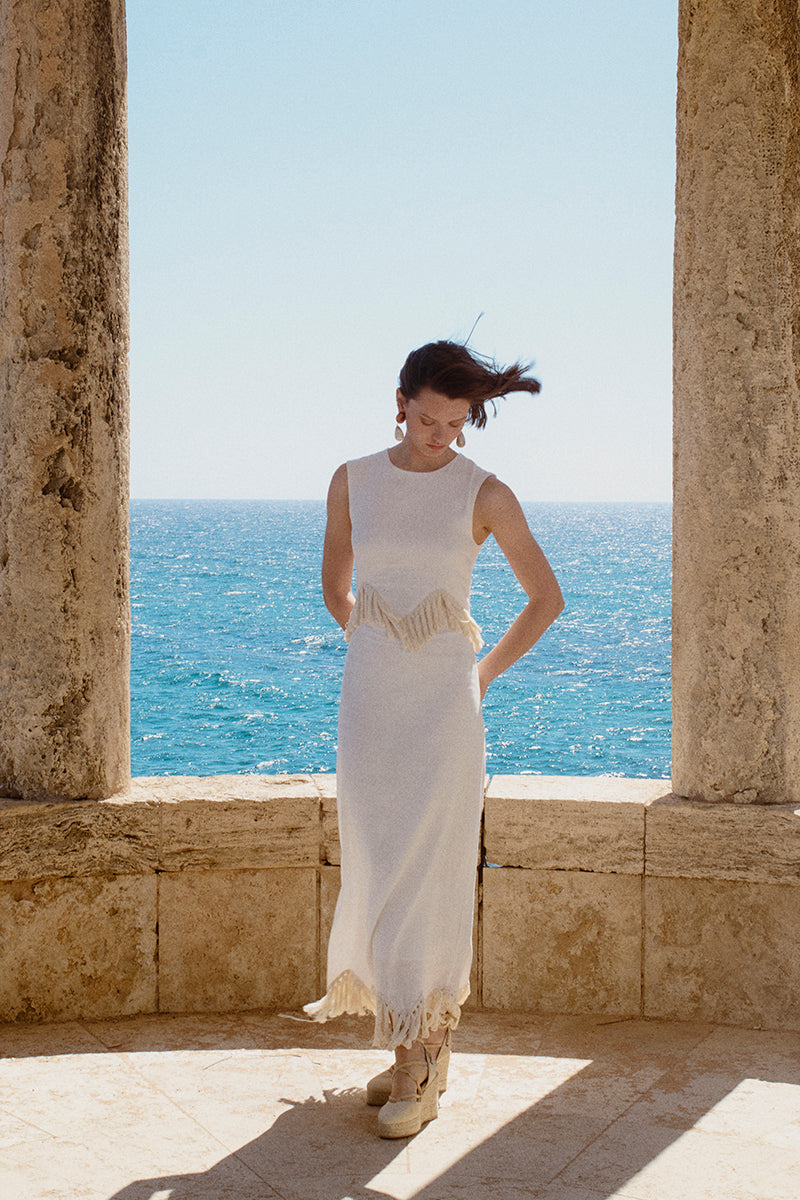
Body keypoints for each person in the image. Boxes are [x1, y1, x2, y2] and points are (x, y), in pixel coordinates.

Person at [304, 340, 564, 1138]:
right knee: (379, 865)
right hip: (370, 704)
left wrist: (477, 675)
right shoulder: (352, 479)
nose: (439, 436)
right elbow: (335, 590)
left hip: (446, 709)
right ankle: (416, 1036)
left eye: (455, 424)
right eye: (426, 419)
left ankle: (418, 1055)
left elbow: (546, 599)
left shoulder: (485, 492)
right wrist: (381, 643)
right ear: (400, 403)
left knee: (430, 876)